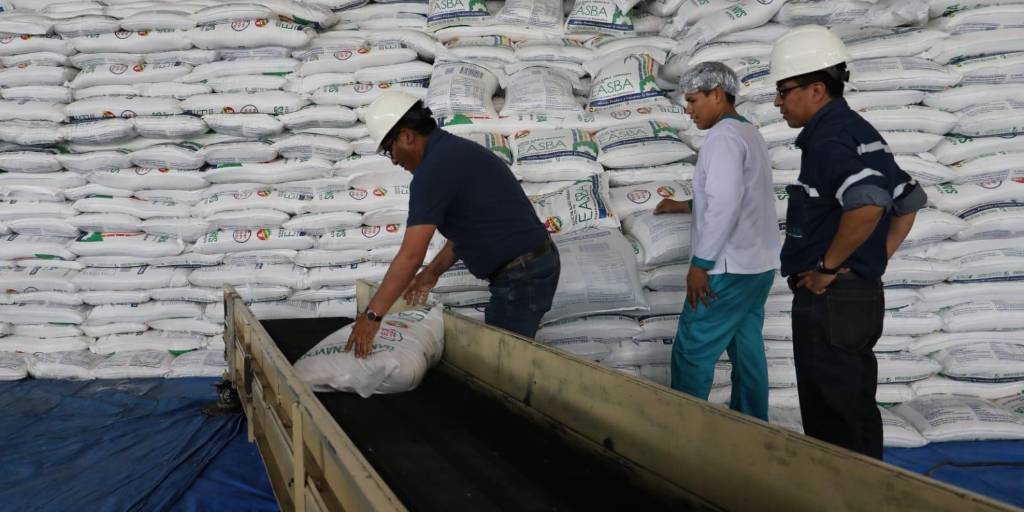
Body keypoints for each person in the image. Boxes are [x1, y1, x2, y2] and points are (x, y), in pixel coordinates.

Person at [769, 25, 927, 458]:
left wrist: (829, 268)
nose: (778, 102)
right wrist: (871, 261)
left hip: (831, 301)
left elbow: (869, 201)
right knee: (854, 408)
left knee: (832, 420)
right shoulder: (862, 132)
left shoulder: (828, 140)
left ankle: (840, 491)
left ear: (816, 90)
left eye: (783, 91)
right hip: (858, 295)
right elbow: (909, 200)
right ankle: (866, 486)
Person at [344, 91, 560, 358]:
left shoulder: (433, 171)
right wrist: (432, 273)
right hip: (531, 266)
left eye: (390, 150)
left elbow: (411, 255)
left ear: (406, 136)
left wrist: (372, 316)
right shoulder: (451, 151)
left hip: (523, 275)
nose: (395, 160)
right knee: (507, 354)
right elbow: (469, 228)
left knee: (503, 362)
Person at [654, 62, 780, 421]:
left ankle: (684, 433)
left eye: (693, 100)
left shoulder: (722, 137)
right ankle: (753, 427)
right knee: (748, 351)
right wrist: (687, 206)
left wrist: (701, 264)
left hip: (726, 269)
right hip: (758, 267)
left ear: (717, 95)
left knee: (692, 352)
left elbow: (725, 201)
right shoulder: (748, 132)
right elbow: (740, 195)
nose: (688, 110)